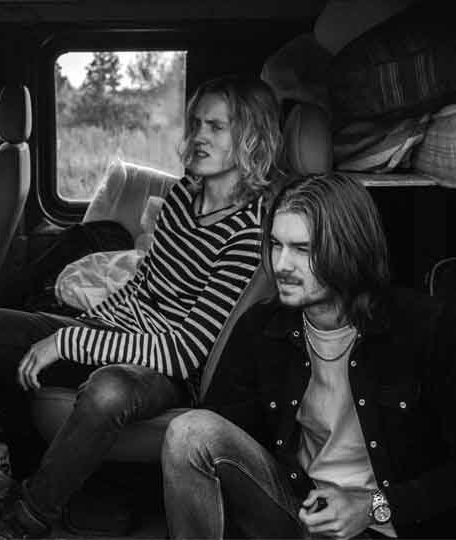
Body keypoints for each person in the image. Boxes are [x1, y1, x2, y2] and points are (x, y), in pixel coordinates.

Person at [0, 74, 283, 539]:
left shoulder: (248, 231)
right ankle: (1, 475)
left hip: (169, 369)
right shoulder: (183, 196)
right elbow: (142, 285)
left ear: (251, 138)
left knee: (107, 391)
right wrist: (86, 325)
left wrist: (70, 343)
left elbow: (186, 351)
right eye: (196, 123)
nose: (199, 136)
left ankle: (27, 521)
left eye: (216, 127)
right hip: (119, 332)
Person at [162, 173, 456, 539]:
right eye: (275, 244)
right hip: (297, 510)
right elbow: (227, 442)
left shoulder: (425, 327)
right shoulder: (261, 328)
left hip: (385, 523)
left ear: (350, 249)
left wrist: (373, 507)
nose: (281, 264)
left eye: (302, 249)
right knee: (190, 431)